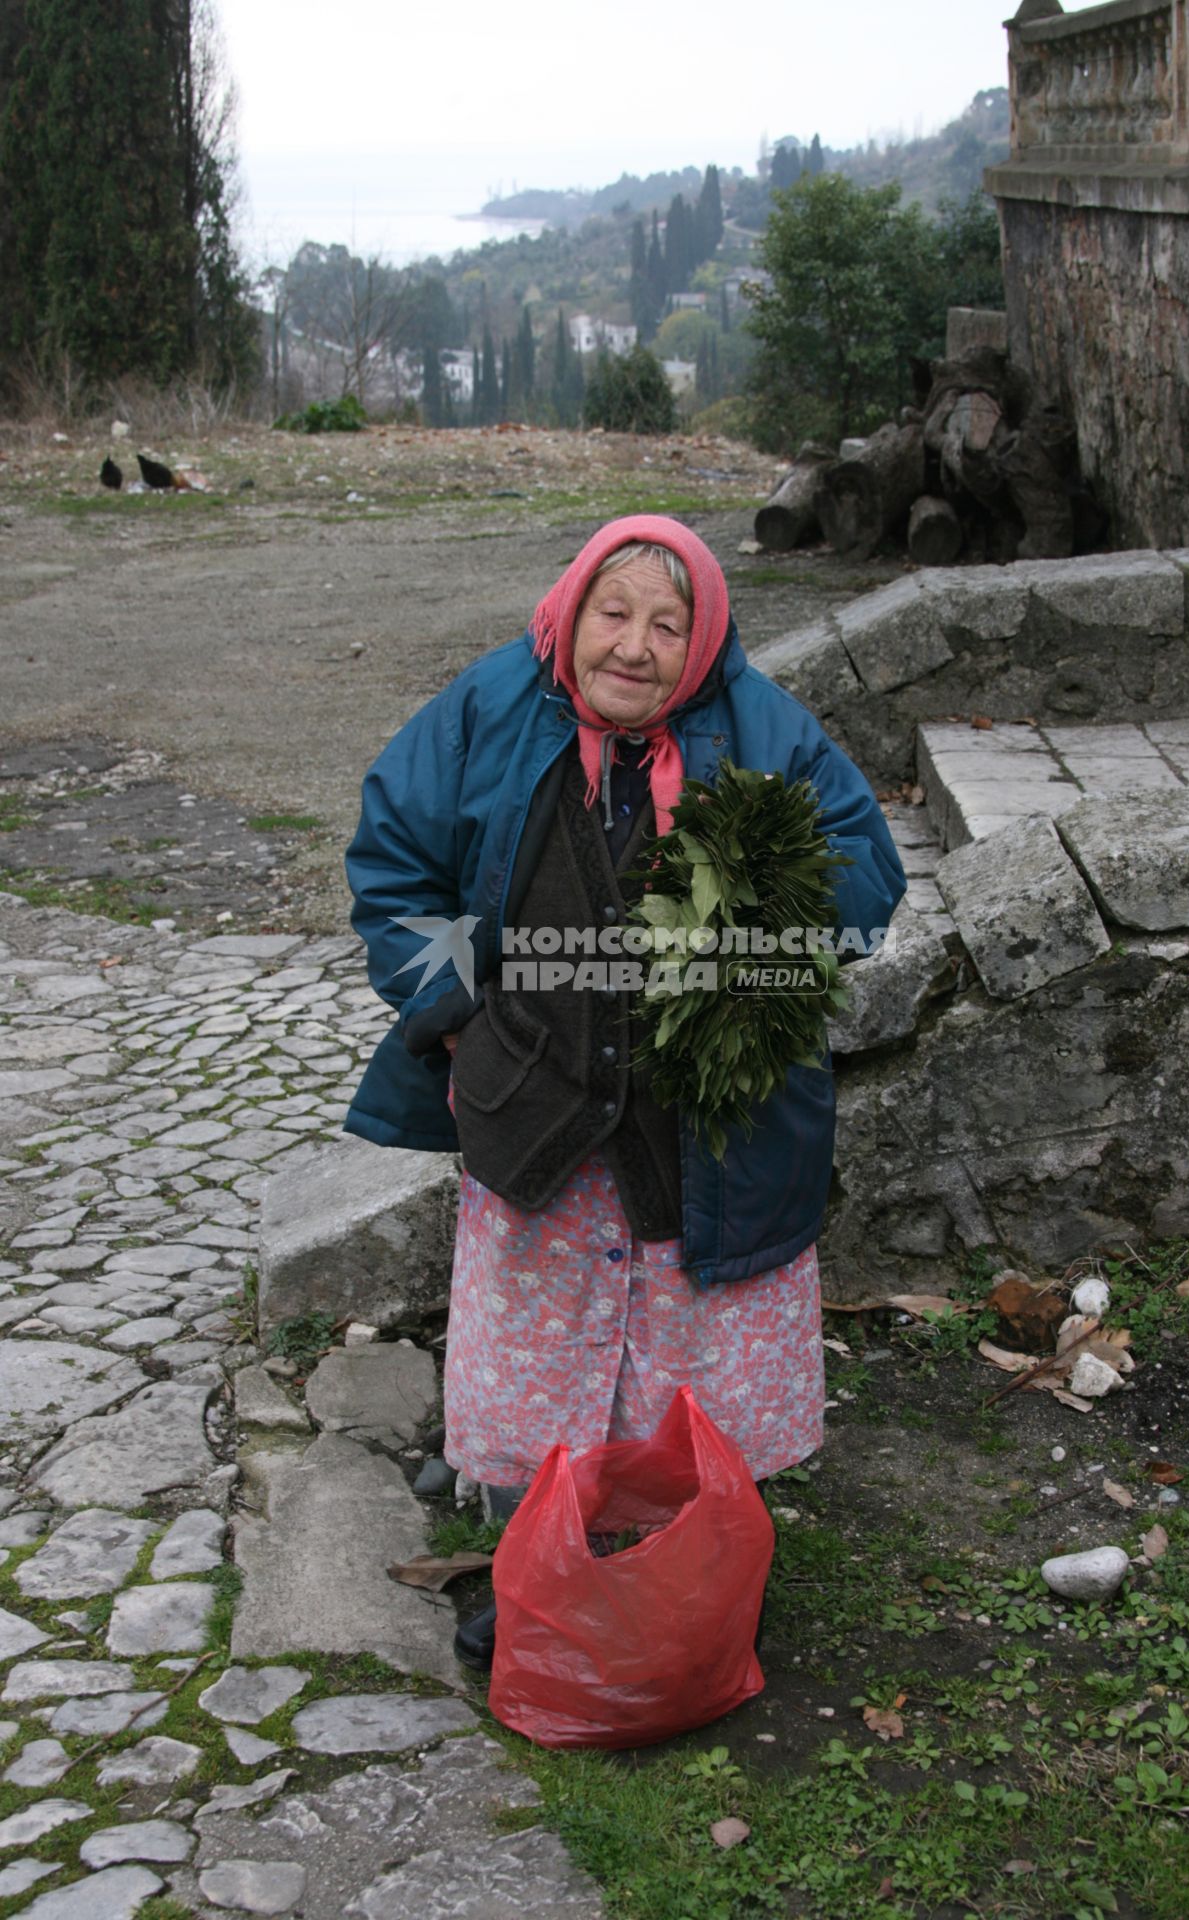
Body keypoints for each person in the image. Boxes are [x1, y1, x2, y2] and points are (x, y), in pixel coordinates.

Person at [344, 514, 906, 1669]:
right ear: (570, 613)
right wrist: (460, 1016)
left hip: (704, 1128)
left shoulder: (759, 727)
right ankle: (540, 1569)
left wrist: (762, 905)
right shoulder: (487, 712)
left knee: (680, 1361)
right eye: (614, 614)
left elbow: (868, 875)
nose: (635, 648)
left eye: (669, 624)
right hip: (535, 1105)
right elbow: (394, 862)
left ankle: (679, 1579)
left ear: (703, 645)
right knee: (547, 1356)